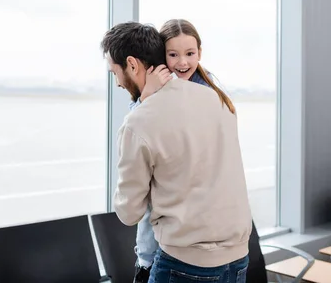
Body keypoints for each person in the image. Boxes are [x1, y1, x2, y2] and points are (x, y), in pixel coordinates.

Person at [101, 21, 252, 283]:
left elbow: (129, 212)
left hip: (185, 262)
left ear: (132, 65)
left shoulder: (141, 119)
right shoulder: (219, 100)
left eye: (115, 72)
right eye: (174, 54)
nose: (116, 82)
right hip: (237, 257)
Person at [130, 19, 236, 282]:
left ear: (200, 52)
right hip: (169, 242)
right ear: (162, 56)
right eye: (173, 54)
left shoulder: (207, 91)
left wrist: (146, 98)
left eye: (190, 53)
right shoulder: (163, 90)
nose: (183, 63)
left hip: (182, 247)